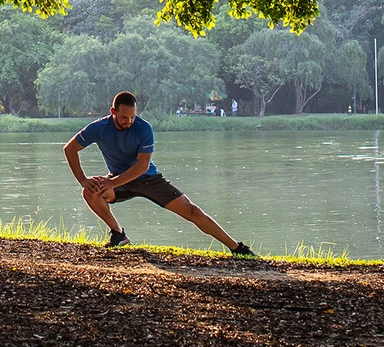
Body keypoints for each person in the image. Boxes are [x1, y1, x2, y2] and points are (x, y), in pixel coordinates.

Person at [64, 91, 256, 255]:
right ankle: (119, 234)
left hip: (148, 179)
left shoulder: (143, 128)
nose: (129, 121)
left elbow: (143, 166)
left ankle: (237, 248)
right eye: (124, 117)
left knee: (192, 211)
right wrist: (83, 179)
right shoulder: (98, 128)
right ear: (113, 112)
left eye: (132, 116)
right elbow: (70, 149)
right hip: (119, 180)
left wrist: (112, 183)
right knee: (90, 192)